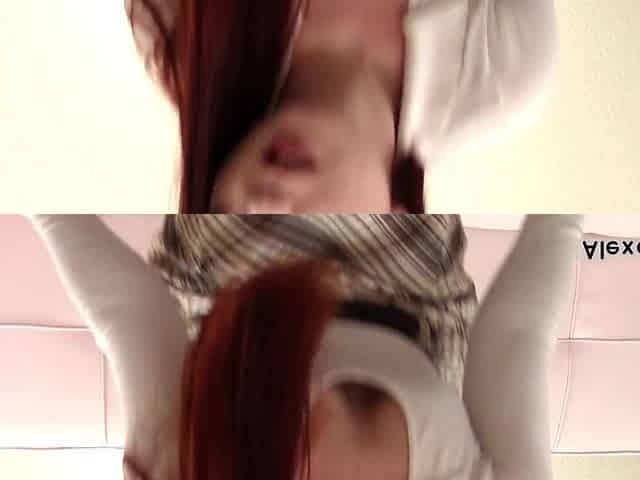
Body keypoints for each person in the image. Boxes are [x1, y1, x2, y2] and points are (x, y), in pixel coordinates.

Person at [31, 213, 583, 480]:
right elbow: (518, 335)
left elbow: (136, 323)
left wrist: (38, 190)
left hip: (229, 263)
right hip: (414, 276)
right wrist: (567, 204)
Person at [125, 0, 557, 213]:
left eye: (233, 233)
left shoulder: (183, 38)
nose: (263, 205)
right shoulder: (502, 76)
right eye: (308, 243)